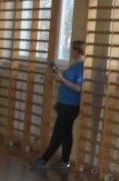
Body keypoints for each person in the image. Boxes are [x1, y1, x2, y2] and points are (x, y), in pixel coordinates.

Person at [29, 40, 85, 169]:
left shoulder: (81, 66)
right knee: (66, 133)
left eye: (72, 49)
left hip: (71, 105)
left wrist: (63, 79)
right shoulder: (74, 64)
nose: (71, 52)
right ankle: (65, 161)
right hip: (64, 103)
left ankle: (44, 159)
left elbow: (78, 88)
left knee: (58, 132)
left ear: (77, 50)